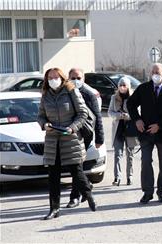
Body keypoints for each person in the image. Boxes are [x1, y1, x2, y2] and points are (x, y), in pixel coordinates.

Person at [37, 68, 97, 220]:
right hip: (52, 139)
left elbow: (83, 113)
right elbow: (40, 116)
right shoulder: (45, 95)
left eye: (55, 77)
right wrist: (44, 125)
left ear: (62, 78)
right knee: (53, 176)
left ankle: (88, 193)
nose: (53, 80)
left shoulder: (71, 91)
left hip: (70, 137)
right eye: (50, 77)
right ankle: (54, 209)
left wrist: (73, 127)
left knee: (76, 170)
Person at [127, 63, 162, 204]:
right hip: (146, 133)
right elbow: (131, 104)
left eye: (158, 72)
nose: (155, 74)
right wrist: (137, 119)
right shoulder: (144, 88)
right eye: (153, 72)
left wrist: (160, 125)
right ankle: (147, 192)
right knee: (145, 162)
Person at [66, 68, 104, 208]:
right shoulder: (65, 93)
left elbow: (98, 116)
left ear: (83, 79)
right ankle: (86, 184)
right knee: (73, 165)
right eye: (73, 77)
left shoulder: (89, 94)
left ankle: (74, 196)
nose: (76, 80)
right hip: (69, 134)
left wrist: (100, 138)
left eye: (79, 77)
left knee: (77, 164)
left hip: (85, 134)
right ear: (68, 78)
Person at [108, 76, 138, 186]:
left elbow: (137, 113)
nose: (122, 87)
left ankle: (129, 176)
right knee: (117, 154)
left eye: (124, 85)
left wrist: (128, 116)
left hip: (130, 129)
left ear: (128, 86)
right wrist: (119, 115)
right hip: (118, 129)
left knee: (130, 155)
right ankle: (117, 177)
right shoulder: (113, 97)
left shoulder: (133, 97)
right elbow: (110, 112)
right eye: (120, 85)